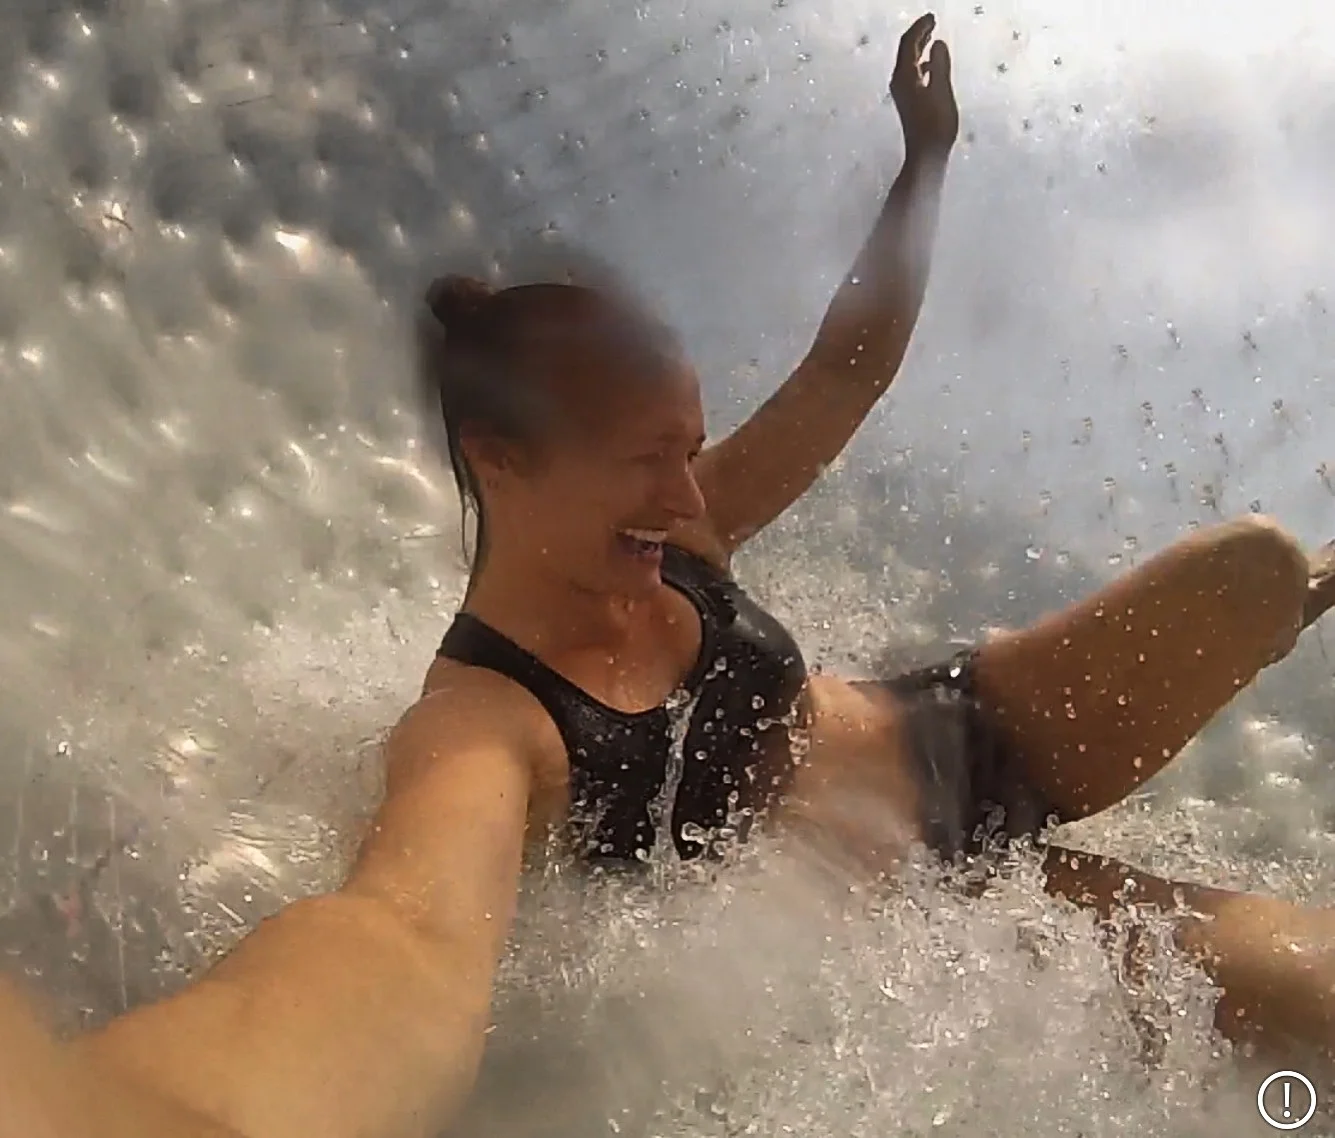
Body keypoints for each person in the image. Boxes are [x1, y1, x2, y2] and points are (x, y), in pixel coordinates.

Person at [4, 12, 1335, 1138]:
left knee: (1249, 570)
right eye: (647, 459)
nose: (687, 491)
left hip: (968, 735)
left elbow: (845, 368)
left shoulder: (679, 530)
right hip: (938, 900)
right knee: (1311, 992)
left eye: (691, 450)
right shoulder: (484, 722)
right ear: (502, 461)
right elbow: (399, 938)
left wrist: (923, 162)